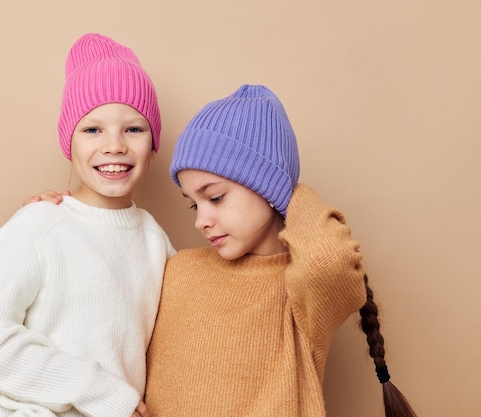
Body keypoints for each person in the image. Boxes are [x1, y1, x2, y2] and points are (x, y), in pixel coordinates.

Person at [27, 85, 417, 417]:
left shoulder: (302, 293)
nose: (201, 220)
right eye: (194, 204)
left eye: (215, 197)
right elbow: (106, 308)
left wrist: (284, 188)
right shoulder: (181, 270)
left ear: (268, 189)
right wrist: (72, 215)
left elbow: (328, 261)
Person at [0, 33, 175, 417]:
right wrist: (100, 392)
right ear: (69, 142)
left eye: (134, 128)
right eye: (92, 129)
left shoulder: (154, 240)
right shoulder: (39, 225)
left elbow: (179, 339)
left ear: (154, 143)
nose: (115, 145)